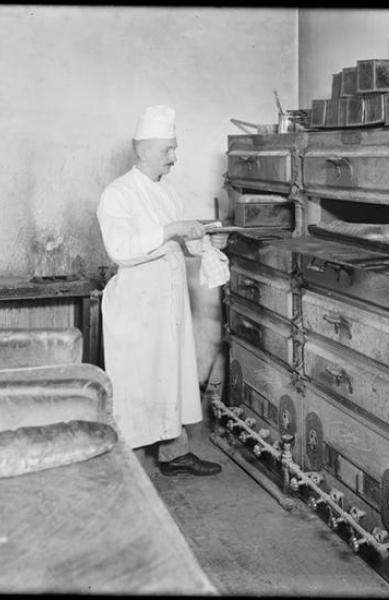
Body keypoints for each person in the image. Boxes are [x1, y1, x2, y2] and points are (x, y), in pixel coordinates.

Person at [97, 105, 225, 477]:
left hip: (168, 301)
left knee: (171, 374)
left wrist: (206, 242)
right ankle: (131, 466)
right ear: (143, 149)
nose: (174, 157)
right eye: (168, 149)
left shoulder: (167, 193)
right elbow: (120, 248)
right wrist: (171, 230)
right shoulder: (117, 193)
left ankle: (174, 453)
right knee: (138, 381)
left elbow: (180, 240)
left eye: (175, 148)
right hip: (136, 305)